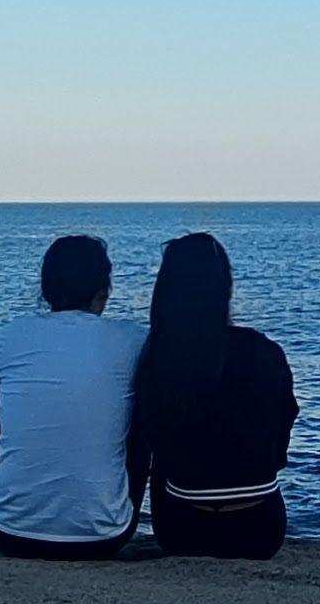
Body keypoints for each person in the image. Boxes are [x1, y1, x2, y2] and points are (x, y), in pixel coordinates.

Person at [128, 231, 300, 559]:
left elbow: (151, 444)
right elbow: (280, 446)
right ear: (225, 288)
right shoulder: (264, 351)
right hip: (261, 529)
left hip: (181, 530)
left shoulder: (157, 358)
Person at [0, 231, 144, 557]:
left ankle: (19, 502)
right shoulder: (132, 339)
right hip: (103, 538)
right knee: (137, 409)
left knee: (12, 407)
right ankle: (104, 508)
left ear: (46, 289)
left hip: (7, 531)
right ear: (103, 292)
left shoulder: (11, 335)